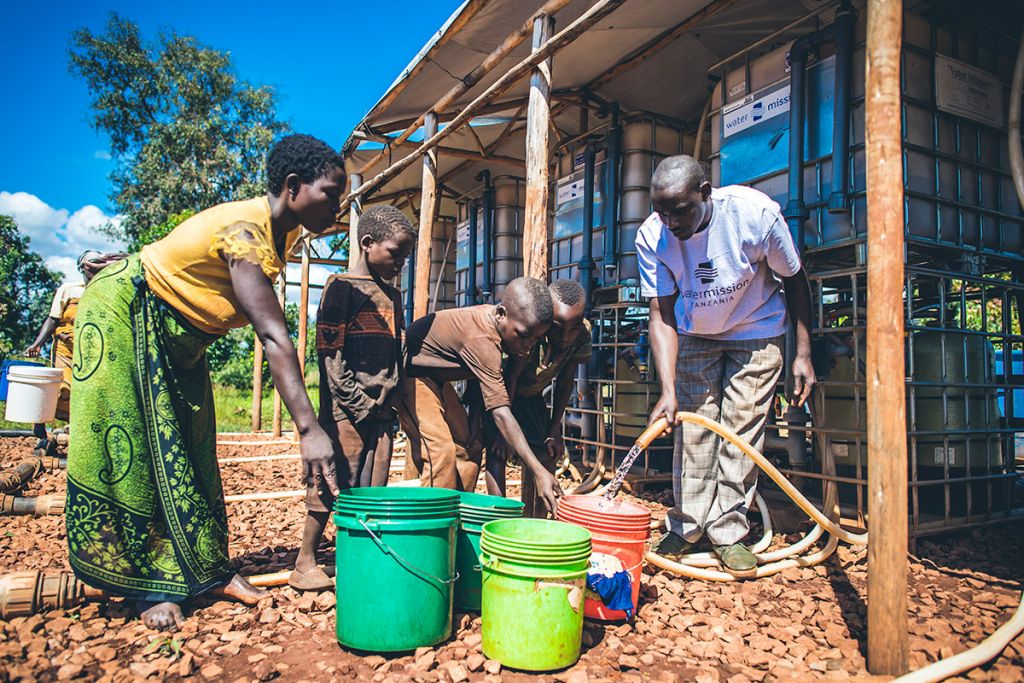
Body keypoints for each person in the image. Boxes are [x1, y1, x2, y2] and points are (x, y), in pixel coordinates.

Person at [66, 134, 345, 630]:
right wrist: (308, 429)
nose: (338, 206)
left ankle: (208, 572)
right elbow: (273, 336)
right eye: (331, 193)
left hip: (180, 340)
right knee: (139, 452)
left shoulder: (283, 233)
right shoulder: (246, 233)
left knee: (192, 446)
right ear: (293, 185)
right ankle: (149, 586)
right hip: (127, 318)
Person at [636, 155, 815, 572]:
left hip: (758, 331)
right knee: (694, 431)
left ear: (705, 193)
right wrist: (667, 391)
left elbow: (795, 281)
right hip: (696, 332)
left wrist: (802, 352)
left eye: (679, 211)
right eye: (661, 211)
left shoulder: (756, 216)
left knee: (740, 434)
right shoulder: (652, 236)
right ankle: (687, 527)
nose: (670, 222)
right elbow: (661, 314)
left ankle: (728, 531)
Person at [290, 205, 416, 591]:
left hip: (381, 410)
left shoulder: (392, 295)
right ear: (367, 243)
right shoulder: (340, 287)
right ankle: (305, 560)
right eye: (396, 253)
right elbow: (330, 356)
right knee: (332, 481)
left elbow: (399, 348)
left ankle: (353, 555)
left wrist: (391, 399)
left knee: (370, 486)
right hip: (347, 408)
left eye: (405, 257)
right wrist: (358, 403)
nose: (401, 263)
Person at [397, 277, 563, 513]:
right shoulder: (482, 340)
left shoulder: (507, 331)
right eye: (525, 335)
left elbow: (491, 383)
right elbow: (501, 413)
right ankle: (430, 532)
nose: (529, 345)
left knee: (469, 447)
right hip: (413, 376)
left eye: (536, 338)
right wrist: (539, 471)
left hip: (439, 380)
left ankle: (459, 519)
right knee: (440, 454)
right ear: (501, 314)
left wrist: (477, 423)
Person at [483, 278, 591, 517]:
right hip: (500, 392)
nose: (564, 337)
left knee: (546, 452)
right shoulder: (533, 330)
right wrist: (503, 434)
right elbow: (511, 376)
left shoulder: (582, 335)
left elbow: (565, 382)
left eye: (572, 329)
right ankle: (500, 517)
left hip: (530, 395)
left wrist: (554, 428)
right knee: (498, 450)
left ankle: (536, 518)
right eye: (557, 327)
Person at [24, 250, 122, 421]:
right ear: (83, 268)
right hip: (65, 350)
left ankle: (75, 432)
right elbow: (53, 319)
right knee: (62, 390)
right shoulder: (69, 290)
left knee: (85, 393)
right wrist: (38, 344)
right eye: (92, 263)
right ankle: (39, 423)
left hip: (91, 352)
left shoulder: (106, 291)